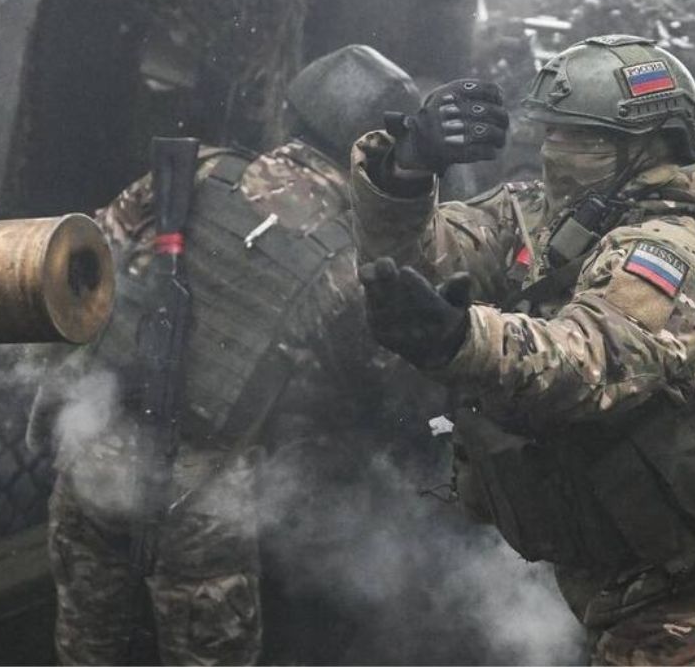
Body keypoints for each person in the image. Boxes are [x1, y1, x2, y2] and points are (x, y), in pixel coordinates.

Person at [350, 34, 695, 665]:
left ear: (649, 144)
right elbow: (410, 262)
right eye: (551, 132)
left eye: (579, 137)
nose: (554, 152)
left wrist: (462, 338)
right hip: (614, 570)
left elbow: (590, 361)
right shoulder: (549, 213)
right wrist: (407, 169)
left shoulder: (673, 246)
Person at [28, 44, 422, 665]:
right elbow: (373, 391)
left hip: (91, 457)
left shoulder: (196, 170)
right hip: (202, 502)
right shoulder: (351, 259)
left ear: (294, 113)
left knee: (87, 651)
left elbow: (86, 265)